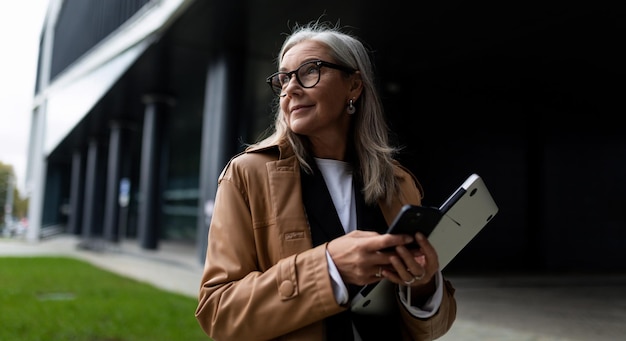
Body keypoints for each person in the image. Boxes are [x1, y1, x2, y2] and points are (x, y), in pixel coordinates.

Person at [195, 20, 457, 341]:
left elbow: (433, 328)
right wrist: (330, 267)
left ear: (354, 86)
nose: (290, 88)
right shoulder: (247, 174)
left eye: (309, 70)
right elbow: (218, 313)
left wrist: (423, 286)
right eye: (284, 78)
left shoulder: (400, 183)